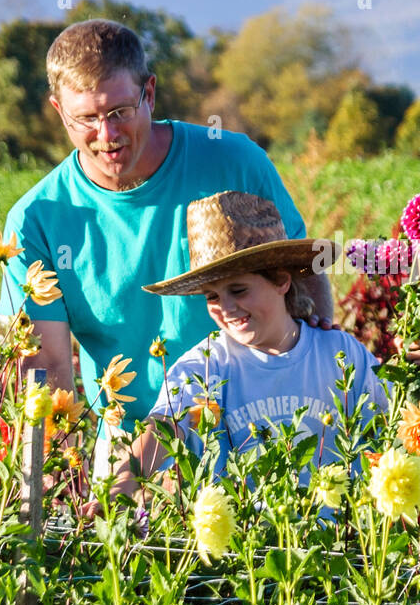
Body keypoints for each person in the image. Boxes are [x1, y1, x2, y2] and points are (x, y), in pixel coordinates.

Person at [0, 19, 420, 482]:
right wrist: (52, 475)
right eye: (86, 118)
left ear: (149, 93)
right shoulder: (37, 220)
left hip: (263, 429)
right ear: (58, 110)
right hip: (132, 454)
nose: (106, 135)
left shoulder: (233, 161)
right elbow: (46, 367)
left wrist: (326, 359)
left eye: (120, 111)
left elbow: (298, 272)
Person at [102, 190, 388, 506]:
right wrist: (119, 487)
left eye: (238, 290)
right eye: (211, 296)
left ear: (281, 280)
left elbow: (396, 423)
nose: (225, 307)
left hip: (338, 542)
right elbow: (162, 428)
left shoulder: (338, 353)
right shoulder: (205, 366)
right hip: (240, 546)